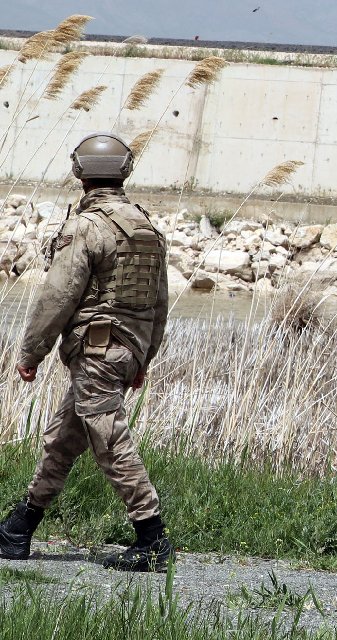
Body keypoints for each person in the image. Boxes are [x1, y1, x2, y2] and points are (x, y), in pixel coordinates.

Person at [0, 133, 173, 572]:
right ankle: (18, 528)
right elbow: (158, 303)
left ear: (80, 173)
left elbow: (58, 297)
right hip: (126, 350)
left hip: (96, 352)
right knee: (63, 440)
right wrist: (143, 358)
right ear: (125, 171)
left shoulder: (87, 227)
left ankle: (152, 538)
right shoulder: (146, 228)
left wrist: (30, 353)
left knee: (110, 441)